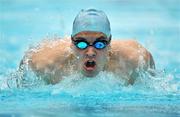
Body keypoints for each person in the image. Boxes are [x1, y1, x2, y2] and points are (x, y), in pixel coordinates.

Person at [19, 9, 155, 85]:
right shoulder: (45, 63)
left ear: (110, 43)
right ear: (71, 44)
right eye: (81, 43)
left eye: (99, 43)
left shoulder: (135, 60)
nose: (90, 52)